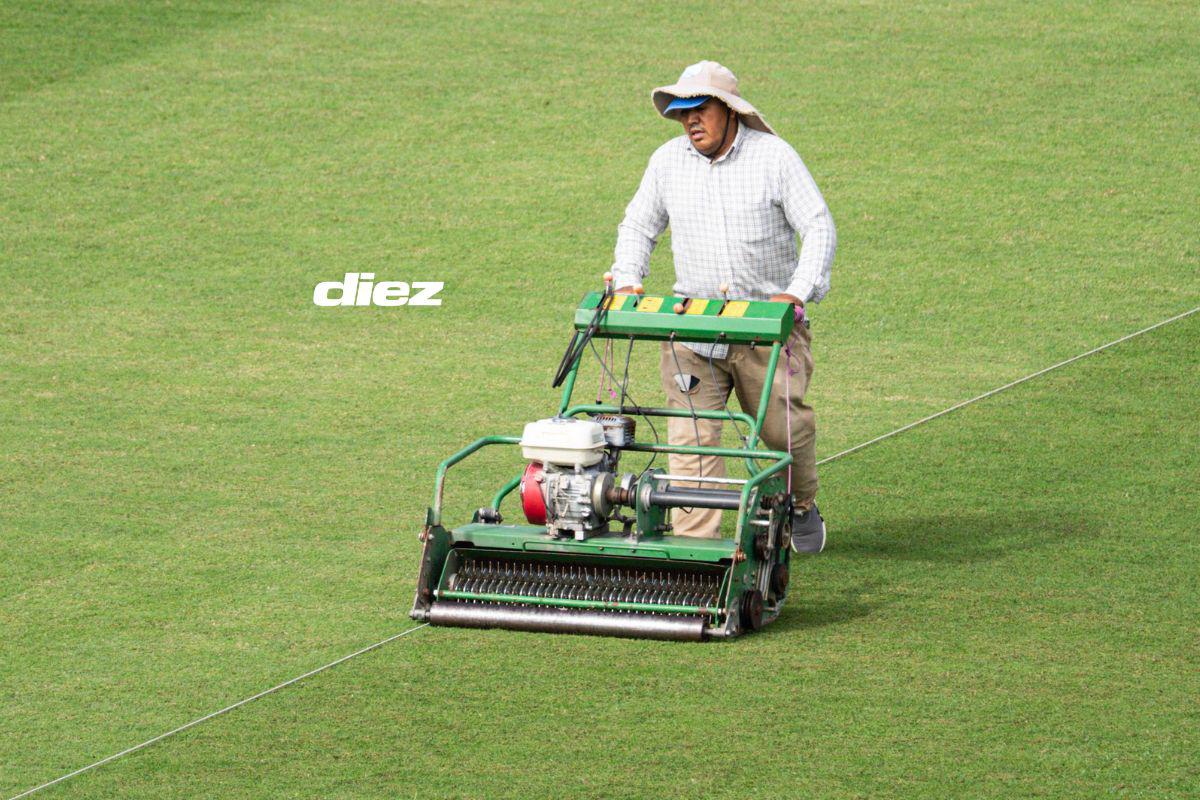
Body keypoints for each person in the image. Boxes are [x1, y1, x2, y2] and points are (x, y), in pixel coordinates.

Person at [609, 60, 836, 553]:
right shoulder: (666, 163)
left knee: (783, 433)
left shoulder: (774, 158)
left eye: (700, 109)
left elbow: (818, 225)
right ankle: (698, 552)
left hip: (766, 330)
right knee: (691, 444)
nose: (690, 120)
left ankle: (800, 504)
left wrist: (796, 293)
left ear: (729, 110)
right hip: (693, 331)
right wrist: (627, 281)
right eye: (682, 111)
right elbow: (638, 225)